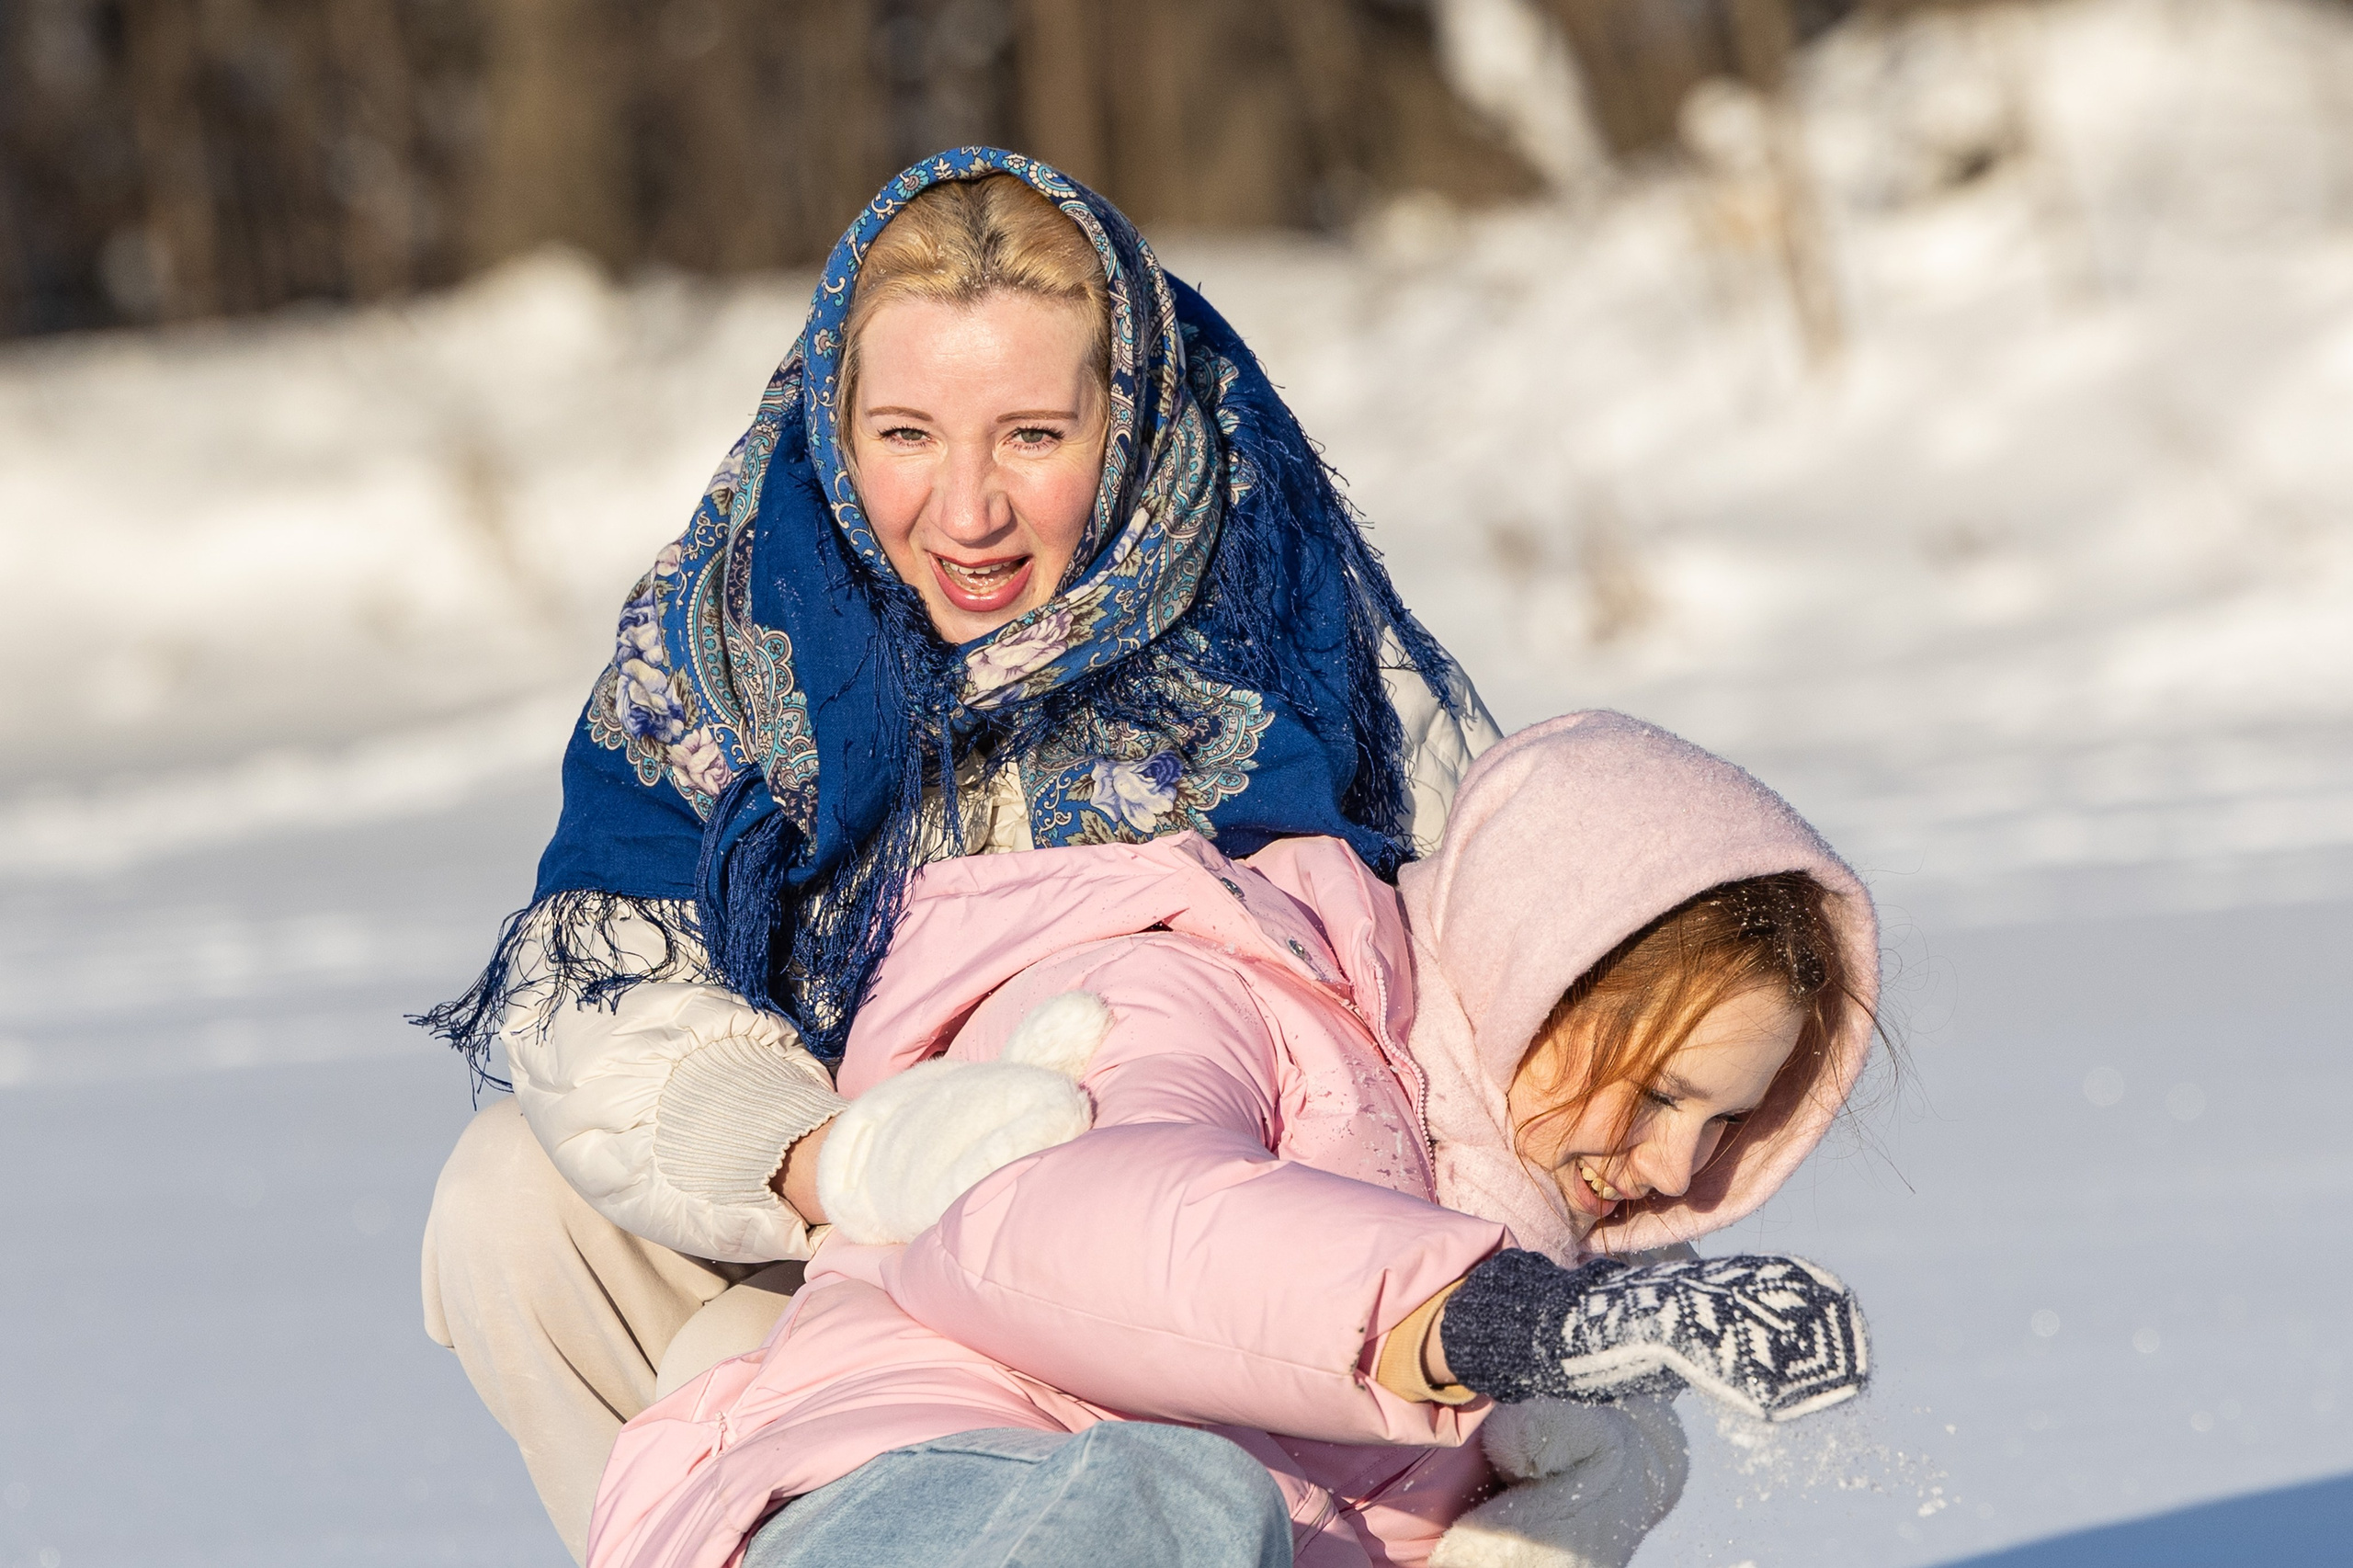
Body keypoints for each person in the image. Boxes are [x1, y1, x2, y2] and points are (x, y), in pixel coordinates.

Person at [418, 148, 1502, 1562]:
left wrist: (1527, 1386)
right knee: (511, 1198)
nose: (967, 511)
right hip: (846, 1246)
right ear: (832, 415)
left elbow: (1479, 1036)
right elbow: (601, 998)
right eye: (908, 434)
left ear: (1127, 420)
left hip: (1175, 1293)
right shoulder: (737, 637)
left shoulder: (1278, 632)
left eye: (1034, 437)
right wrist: (826, 1157)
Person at [588, 710, 1885, 1568]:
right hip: (929, 1496)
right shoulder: (1219, 982)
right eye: (1659, 1091)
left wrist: (1546, 1514)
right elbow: (1055, 1226)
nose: (1676, 1170)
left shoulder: (1517, 1254)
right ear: (1537, 965)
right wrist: (1502, 1319)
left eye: (1729, 1123)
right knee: (1179, 1502)